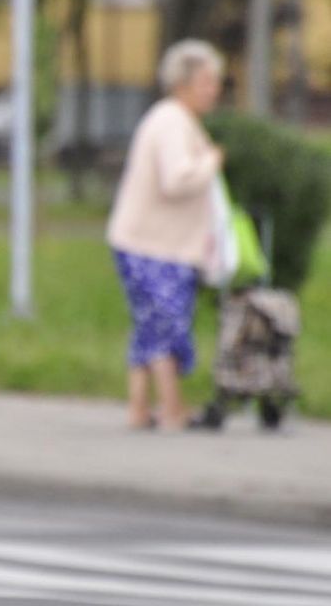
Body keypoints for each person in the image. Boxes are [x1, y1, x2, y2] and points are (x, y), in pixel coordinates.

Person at [106, 39, 224, 432]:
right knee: (166, 325)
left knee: (149, 324)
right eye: (206, 82)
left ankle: (139, 409)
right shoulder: (173, 122)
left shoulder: (175, 119)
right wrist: (211, 162)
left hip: (146, 240)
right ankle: (173, 410)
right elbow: (176, 180)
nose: (214, 90)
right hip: (154, 246)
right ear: (182, 83)